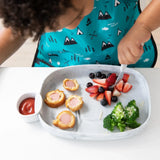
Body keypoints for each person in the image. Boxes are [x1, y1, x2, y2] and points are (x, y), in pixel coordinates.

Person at [0, 0, 158, 67]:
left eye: (78, 15)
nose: (72, 28)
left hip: (126, 53)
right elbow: (18, 31)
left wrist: (143, 26)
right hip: (60, 60)